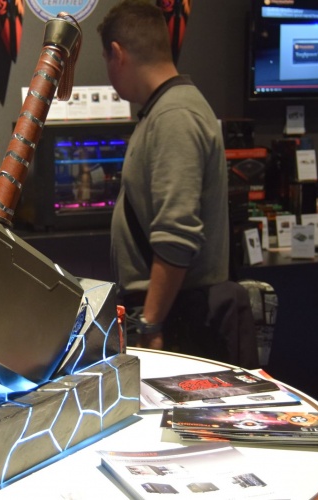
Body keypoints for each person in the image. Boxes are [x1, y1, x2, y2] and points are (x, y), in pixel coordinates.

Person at [98, 0, 230, 351]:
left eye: (106, 60)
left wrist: (152, 322)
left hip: (177, 318)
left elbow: (176, 235)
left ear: (117, 54)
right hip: (171, 312)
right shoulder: (165, 110)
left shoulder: (174, 115)